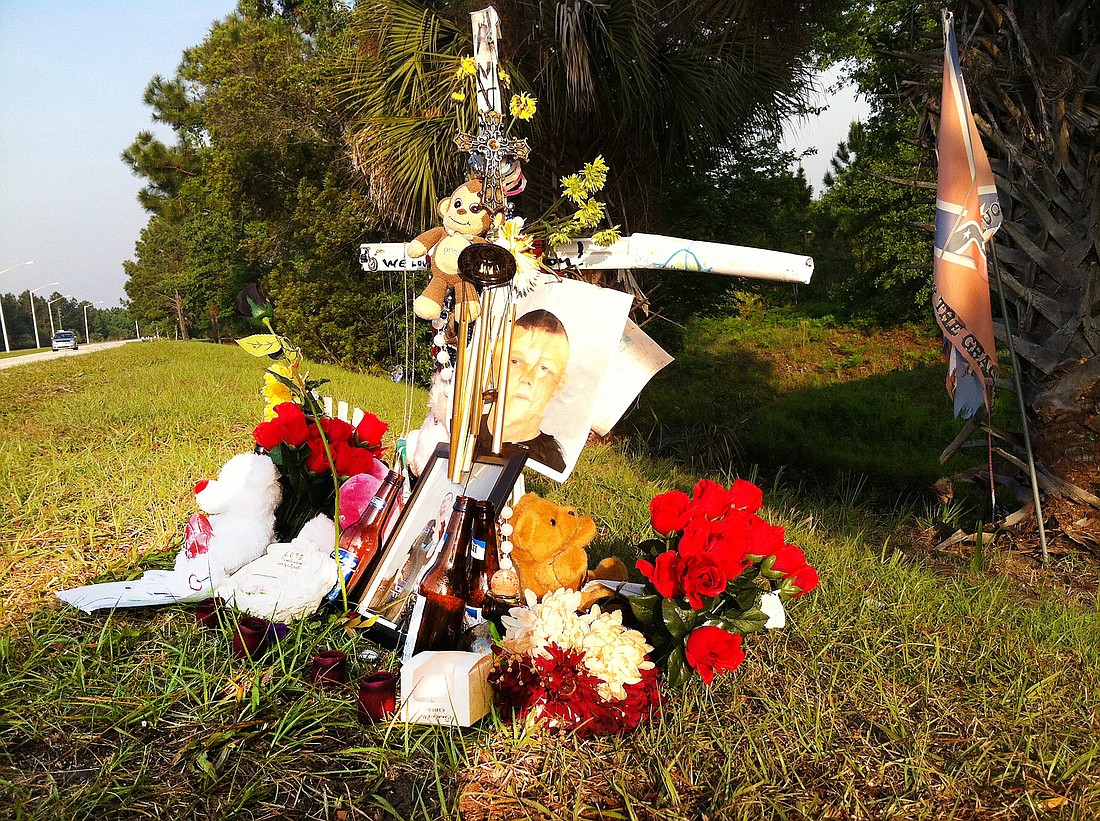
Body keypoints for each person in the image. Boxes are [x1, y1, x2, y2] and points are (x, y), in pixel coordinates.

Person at [491, 309, 570, 472]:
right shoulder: (464, 432)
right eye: (516, 361)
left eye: (543, 368)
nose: (527, 377)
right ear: (495, 363)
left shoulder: (551, 464)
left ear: (559, 384)